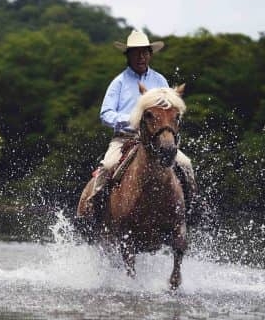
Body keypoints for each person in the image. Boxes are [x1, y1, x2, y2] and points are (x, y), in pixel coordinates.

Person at [78, 29, 197, 221]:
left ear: (150, 55)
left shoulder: (160, 80)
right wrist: (133, 119)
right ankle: (93, 208)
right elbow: (105, 114)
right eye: (136, 53)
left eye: (145, 52)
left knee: (186, 164)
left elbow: (168, 110)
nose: (141, 57)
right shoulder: (119, 82)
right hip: (125, 138)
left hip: (157, 138)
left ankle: (191, 209)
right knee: (108, 166)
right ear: (128, 56)